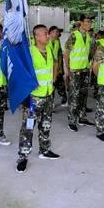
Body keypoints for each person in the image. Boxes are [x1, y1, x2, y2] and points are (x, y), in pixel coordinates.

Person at [17, 25, 61, 173]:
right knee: (28, 127)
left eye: (48, 33)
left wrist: (54, 79)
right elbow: (20, 73)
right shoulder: (29, 52)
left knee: (46, 125)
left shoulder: (49, 49)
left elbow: (55, 64)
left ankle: (45, 150)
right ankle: (23, 156)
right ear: (36, 36)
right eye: (45, 34)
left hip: (48, 95)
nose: (48, 36)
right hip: (33, 99)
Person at [64, 14, 94, 132]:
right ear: (81, 23)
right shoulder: (74, 35)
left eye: (90, 22)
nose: (89, 24)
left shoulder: (88, 36)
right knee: (74, 96)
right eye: (87, 21)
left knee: (83, 94)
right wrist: (68, 70)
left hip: (85, 70)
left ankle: (82, 117)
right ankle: (72, 120)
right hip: (75, 71)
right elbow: (66, 54)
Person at [49, 26, 67, 107]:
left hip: (57, 67)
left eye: (58, 32)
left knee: (60, 84)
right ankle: (51, 102)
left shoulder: (57, 41)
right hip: (49, 68)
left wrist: (60, 67)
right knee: (50, 85)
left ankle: (64, 99)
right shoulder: (45, 41)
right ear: (51, 33)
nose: (58, 34)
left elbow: (59, 54)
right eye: (56, 32)